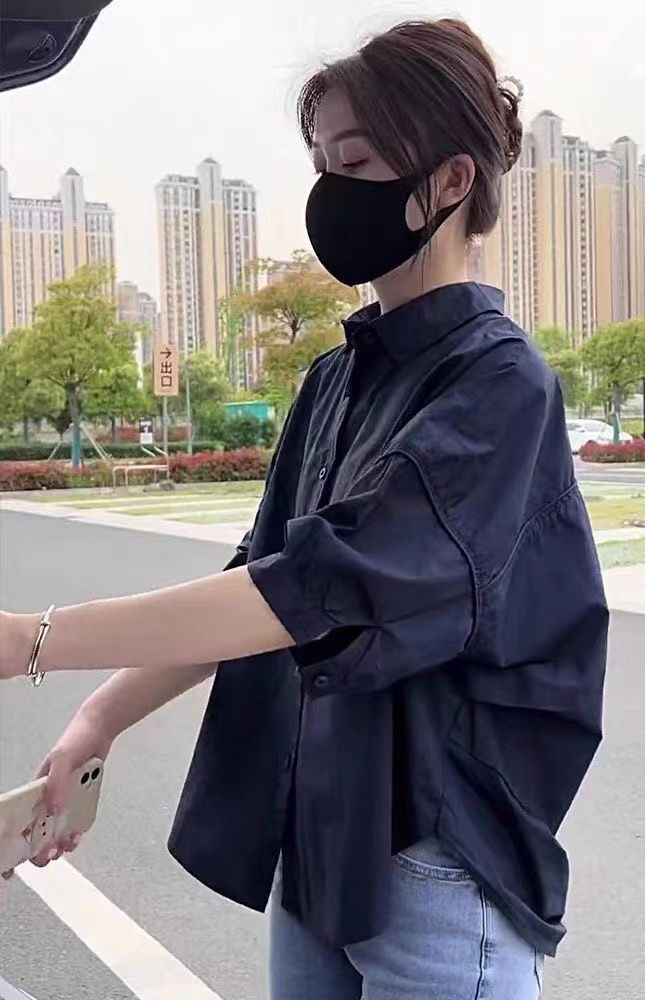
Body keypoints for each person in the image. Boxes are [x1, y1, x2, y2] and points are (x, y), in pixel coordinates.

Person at [0, 18, 607, 1000]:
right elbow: (257, 580)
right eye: (321, 164)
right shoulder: (335, 379)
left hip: (438, 869)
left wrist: (34, 638)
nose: (329, 191)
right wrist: (99, 716)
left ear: (452, 180)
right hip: (319, 844)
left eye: (354, 162)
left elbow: (315, 592)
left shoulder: (500, 388)